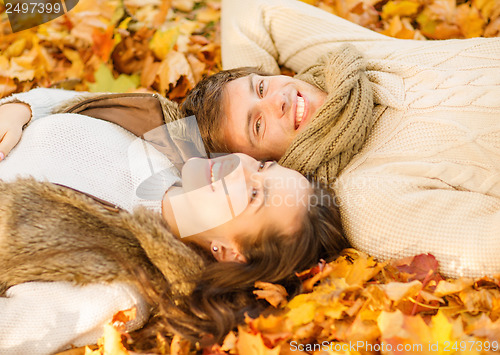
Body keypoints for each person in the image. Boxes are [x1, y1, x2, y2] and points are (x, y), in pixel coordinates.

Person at [0, 89, 348, 354]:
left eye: (255, 195)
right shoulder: (160, 136)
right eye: (262, 167)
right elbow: (65, 100)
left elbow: (15, 332)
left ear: (229, 251)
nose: (241, 168)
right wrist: (18, 109)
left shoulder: (120, 283)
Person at [180, 0, 500, 279]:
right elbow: (487, 249)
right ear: (273, 164)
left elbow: (251, 8)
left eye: (261, 86)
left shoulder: (336, 67)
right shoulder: (369, 200)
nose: (278, 99)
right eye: (258, 126)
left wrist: (242, 90)